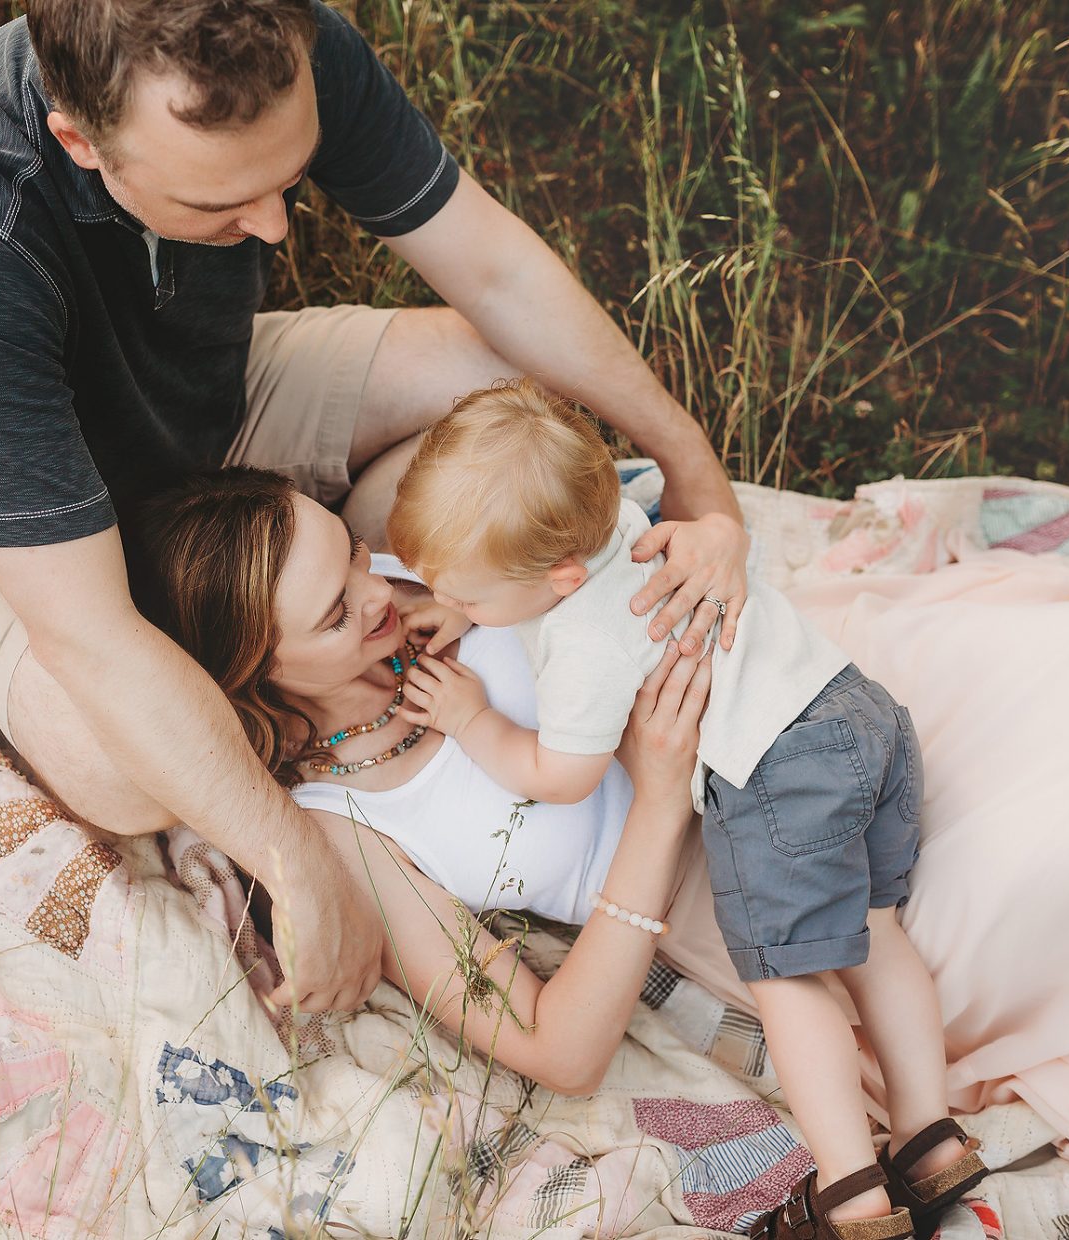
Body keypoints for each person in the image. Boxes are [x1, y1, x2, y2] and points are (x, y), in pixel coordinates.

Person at [0, 0, 753, 1011]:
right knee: (120, 767)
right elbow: (88, 631)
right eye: (223, 202)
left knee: (518, 395)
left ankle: (333, 552)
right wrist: (297, 856)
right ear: (79, 142)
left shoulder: (271, 36)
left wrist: (694, 472)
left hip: (211, 406)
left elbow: (492, 268)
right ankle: (300, 626)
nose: (275, 225)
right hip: (17, 545)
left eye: (287, 178)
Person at [127, 465, 1069, 1201]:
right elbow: (554, 1047)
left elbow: (578, 502)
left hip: (819, 684)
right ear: (259, 675)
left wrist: (705, 534)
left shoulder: (412, 563)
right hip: (762, 873)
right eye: (338, 613)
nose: (380, 592)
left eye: (352, 555)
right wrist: (655, 778)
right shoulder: (345, 829)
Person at [384, 379, 984, 1240]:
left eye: (470, 598)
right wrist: (461, 593)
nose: (463, 613)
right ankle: (932, 1140)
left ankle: (854, 1195)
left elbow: (564, 775)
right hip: (856, 711)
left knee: (788, 978)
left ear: (555, 577)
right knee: (875, 928)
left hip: (776, 768)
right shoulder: (624, 526)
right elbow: (522, 562)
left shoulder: (588, 639)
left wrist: (473, 718)